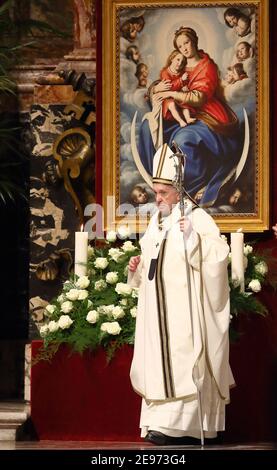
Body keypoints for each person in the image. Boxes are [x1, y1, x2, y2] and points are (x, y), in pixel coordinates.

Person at [128, 143, 234, 445]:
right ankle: (160, 423)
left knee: (185, 361)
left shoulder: (198, 218)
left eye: (162, 192)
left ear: (178, 190)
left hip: (184, 313)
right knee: (161, 363)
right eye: (155, 191)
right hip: (159, 313)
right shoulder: (157, 221)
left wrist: (194, 241)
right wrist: (136, 265)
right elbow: (151, 262)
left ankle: (186, 427)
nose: (156, 198)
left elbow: (217, 258)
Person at [137, 27, 241, 207]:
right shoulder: (180, 62)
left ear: (194, 40)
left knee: (183, 140)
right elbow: (164, 80)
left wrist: (170, 92)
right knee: (147, 127)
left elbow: (198, 98)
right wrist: (157, 89)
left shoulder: (207, 66)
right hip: (181, 113)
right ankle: (161, 182)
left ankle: (190, 187)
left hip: (207, 116)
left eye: (186, 42)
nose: (184, 48)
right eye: (180, 45)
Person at [160, 50, 196, 127]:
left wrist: (185, 87)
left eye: (182, 62)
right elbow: (169, 87)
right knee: (171, 105)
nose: (180, 63)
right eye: (178, 60)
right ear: (172, 58)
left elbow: (185, 83)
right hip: (168, 97)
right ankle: (180, 121)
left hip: (178, 96)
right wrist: (181, 80)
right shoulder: (165, 72)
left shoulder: (181, 72)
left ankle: (188, 118)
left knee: (184, 103)